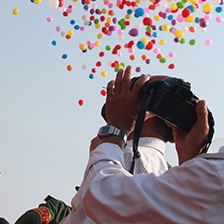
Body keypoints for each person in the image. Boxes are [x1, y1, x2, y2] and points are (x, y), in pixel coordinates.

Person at [78, 66, 224, 223]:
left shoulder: (127, 156)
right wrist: (191, 162)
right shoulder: (171, 171)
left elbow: (105, 197)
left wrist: (115, 130)